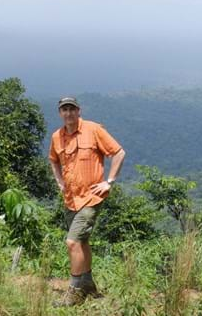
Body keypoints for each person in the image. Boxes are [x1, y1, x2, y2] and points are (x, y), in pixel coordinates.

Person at [49, 96, 126, 306]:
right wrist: (59, 182)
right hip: (70, 199)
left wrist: (109, 182)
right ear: (60, 113)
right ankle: (88, 284)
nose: (68, 113)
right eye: (64, 109)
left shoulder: (93, 130)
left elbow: (119, 153)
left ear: (78, 111)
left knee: (72, 242)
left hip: (91, 198)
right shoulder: (57, 136)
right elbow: (53, 160)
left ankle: (74, 292)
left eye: (71, 109)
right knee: (82, 242)